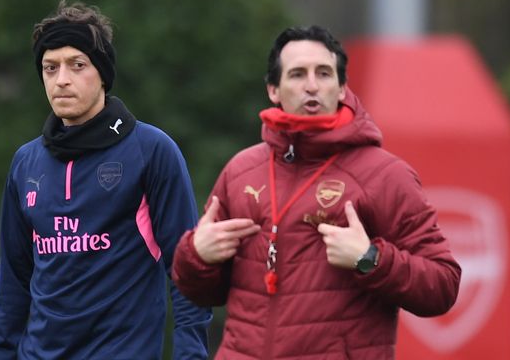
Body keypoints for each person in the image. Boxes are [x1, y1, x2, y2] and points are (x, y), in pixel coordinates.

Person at [172, 25, 461, 359]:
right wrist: (197, 255)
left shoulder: (385, 175)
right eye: (297, 74)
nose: (312, 85)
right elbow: (201, 291)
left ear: (341, 88)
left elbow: (443, 285)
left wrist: (369, 260)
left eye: (323, 73)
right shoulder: (241, 171)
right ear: (273, 90)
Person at [0, 1, 211, 359]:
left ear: (102, 73)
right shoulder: (26, 163)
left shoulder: (152, 151)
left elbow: (186, 273)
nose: (61, 79)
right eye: (50, 67)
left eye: (77, 65)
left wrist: (190, 355)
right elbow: (12, 281)